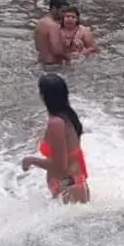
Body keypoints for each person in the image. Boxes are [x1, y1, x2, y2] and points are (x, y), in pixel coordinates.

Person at [20, 73, 90, 204]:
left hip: (67, 187)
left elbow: (60, 166)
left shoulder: (56, 123)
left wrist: (31, 160)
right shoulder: (68, 116)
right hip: (74, 184)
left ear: (43, 96)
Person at [35, 0, 69, 66]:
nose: (65, 15)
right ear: (54, 8)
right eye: (63, 11)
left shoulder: (40, 22)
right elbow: (57, 51)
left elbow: (37, 47)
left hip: (41, 63)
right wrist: (68, 58)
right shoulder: (54, 26)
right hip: (53, 65)